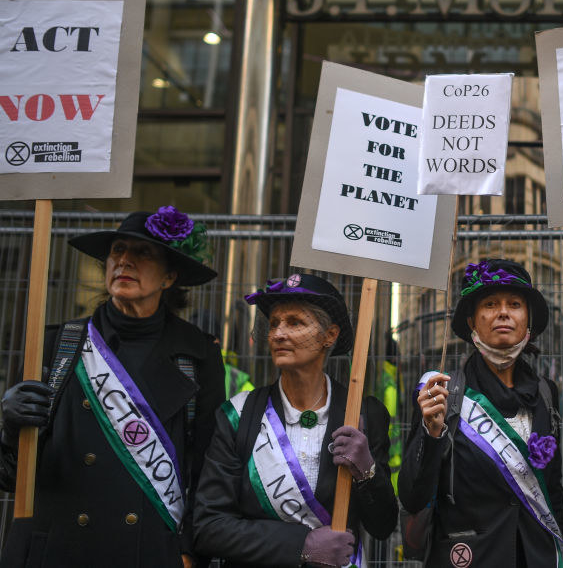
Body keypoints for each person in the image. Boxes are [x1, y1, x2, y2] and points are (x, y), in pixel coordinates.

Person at [0, 206, 224, 568]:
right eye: (117, 251)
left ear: (168, 278)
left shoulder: (197, 355)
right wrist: (10, 431)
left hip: (149, 550)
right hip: (59, 547)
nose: (124, 261)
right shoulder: (57, 345)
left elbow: (209, 467)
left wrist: (189, 551)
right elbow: (10, 477)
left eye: (142, 253)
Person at [193, 273, 397, 567]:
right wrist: (300, 545)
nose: (277, 334)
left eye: (295, 322)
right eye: (274, 323)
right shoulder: (238, 415)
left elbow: (383, 526)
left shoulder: (364, 414)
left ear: (330, 335)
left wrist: (367, 473)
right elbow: (209, 526)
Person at [398, 259, 563, 567]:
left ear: (528, 319)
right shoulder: (442, 394)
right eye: (490, 304)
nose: (503, 312)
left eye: (515, 304)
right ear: (472, 321)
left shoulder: (546, 393)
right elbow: (412, 497)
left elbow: (554, 493)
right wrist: (432, 433)